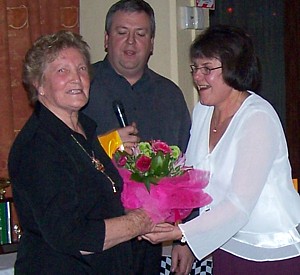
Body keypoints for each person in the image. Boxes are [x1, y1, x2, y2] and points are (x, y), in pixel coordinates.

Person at [141, 25, 300, 274]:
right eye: (195, 68)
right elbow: (192, 180)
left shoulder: (257, 117)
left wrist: (182, 233)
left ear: (234, 67)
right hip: (226, 245)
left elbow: (239, 205)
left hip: (270, 251)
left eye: (207, 69)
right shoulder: (204, 111)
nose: (197, 77)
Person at [8, 30, 161, 274]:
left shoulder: (85, 133)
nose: (76, 79)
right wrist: (141, 221)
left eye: (81, 69)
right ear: (39, 85)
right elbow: (72, 236)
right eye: (62, 71)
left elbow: (99, 206)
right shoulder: (39, 145)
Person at [82, 1, 193, 274]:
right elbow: (59, 158)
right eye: (122, 32)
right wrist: (106, 145)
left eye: (141, 34)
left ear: (152, 43)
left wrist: (186, 237)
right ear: (107, 39)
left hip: (149, 244)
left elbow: (188, 171)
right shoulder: (81, 88)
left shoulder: (170, 95)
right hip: (93, 241)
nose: (131, 41)